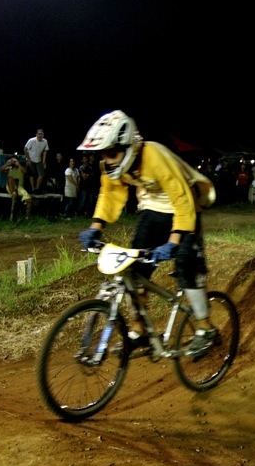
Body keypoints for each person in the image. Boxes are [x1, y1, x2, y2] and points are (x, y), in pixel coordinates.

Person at [77, 110, 218, 358]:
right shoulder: (114, 164)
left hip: (184, 210)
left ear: (129, 146)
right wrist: (95, 227)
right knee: (133, 271)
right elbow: (109, 193)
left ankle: (206, 330)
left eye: (112, 153)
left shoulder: (155, 155)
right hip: (153, 211)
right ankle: (139, 330)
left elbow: (182, 199)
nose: (107, 160)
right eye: (104, 154)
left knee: (187, 267)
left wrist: (174, 241)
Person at [1, 154, 32, 221]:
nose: (13, 162)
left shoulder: (21, 168)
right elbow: (1, 170)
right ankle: (14, 194)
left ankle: (27, 218)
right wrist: (7, 163)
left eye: (14, 160)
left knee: (29, 200)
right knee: (10, 178)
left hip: (19, 187)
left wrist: (18, 164)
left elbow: (25, 171)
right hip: (11, 186)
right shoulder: (9, 169)